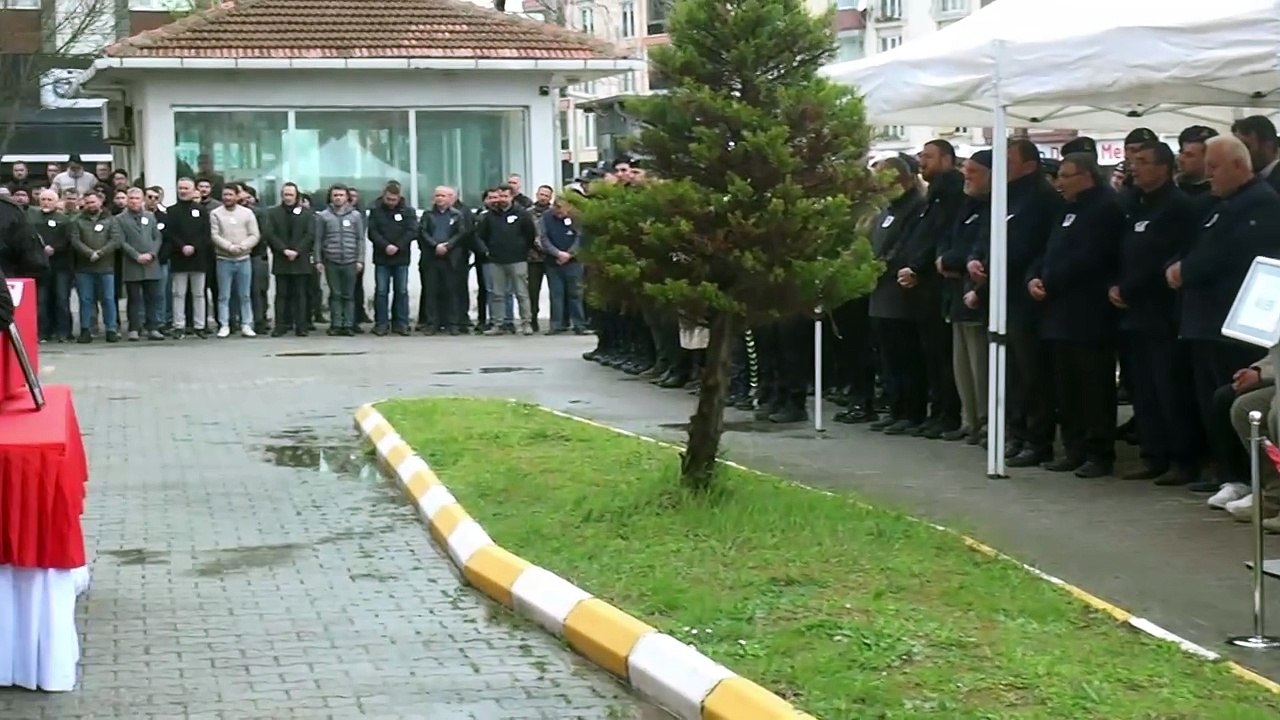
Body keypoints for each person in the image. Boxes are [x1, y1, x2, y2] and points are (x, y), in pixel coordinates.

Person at [1167, 134, 1280, 493]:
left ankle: (1246, 478)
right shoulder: (1218, 205)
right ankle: (1228, 474)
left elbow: (1233, 255)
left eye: (1214, 167)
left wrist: (1187, 271)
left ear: (1238, 165)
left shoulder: (1260, 204)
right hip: (1205, 319)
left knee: (1230, 398)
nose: (1208, 175)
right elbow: (1194, 245)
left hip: (1231, 322)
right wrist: (1178, 266)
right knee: (1210, 401)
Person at [1027, 152, 1126, 477]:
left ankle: (1099, 452)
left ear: (1086, 176)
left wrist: (1051, 280)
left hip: (1088, 313)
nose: (1060, 183)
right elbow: (1047, 250)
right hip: (1057, 313)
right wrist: (1035, 276)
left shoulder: (1105, 208)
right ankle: (1074, 447)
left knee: (1093, 387)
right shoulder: (1066, 209)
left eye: (1066, 176)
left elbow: (1092, 257)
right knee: (1066, 387)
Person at [867, 156, 928, 435]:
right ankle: (895, 408)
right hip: (880, 292)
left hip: (901, 294)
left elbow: (905, 246)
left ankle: (911, 411)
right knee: (888, 356)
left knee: (906, 356)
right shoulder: (886, 209)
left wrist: (881, 266)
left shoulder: (917, 207)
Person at [473, 184, 536, 336]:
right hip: (496, 260)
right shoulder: (489, 216)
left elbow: (530, 234)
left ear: (512, 197)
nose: (501, 199)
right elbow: (480, 236)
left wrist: (522, 250)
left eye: (505, 196)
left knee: (521, 293)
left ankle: (526, 323)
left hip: (517, 259)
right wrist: (486, 251)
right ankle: (498, 324)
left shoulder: (522, 214)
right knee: (497, 294)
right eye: (499, 196)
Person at [110, 187, 166, 341]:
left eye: (137, 198)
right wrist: (136, 256)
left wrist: (152, 254)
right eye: (131, 198)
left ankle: (153, 327)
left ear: (142, 200)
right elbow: (121, 241)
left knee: (152, 297)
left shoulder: (150, 216)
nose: (134, 201)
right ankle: (134, 328)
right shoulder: (119, 219)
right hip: (132, 263)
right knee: (134, 298)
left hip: (151, 263)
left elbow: (157, 237)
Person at [209, 185, 260, 338]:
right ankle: (224, 325)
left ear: (237, 196)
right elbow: (215, 235)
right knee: (224, 295)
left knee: (245, 295)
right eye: (225, 195)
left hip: (244, 259)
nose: (227, 198)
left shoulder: (247, 213)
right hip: (223, 260)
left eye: (230, 195)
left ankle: (246, 324)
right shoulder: (215, 213)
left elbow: (254, 234)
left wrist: (243, 246)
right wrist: (229, 247)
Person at [314, 183, 365, 336]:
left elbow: (360, 239)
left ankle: (348, 325)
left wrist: (360, 260)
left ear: (347, 197)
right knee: (335, 294)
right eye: (335, 195)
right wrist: (318, 260)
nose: (338, 198)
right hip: (331, 260)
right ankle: (336, 324)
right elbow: (318, 239)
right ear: (330, 197)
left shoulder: (355, 216)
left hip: (350, 260)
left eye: (341, 195)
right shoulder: (323, 216)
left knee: (349, 295)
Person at [367, 180, 417, 336]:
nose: (391, 202)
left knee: (401, 290)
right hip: (382, 257)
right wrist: (385, 246)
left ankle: (401, 323)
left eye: (394, 200)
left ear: (399, 197)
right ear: (384, 196)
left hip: (401, 257)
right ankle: (381, 323)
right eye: (388, 199)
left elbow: (412, 231)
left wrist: (397, 246)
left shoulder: (408, 211)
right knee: (381, 291)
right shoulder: (376, 211)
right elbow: (372, 232)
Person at [69, 190, 120, 343]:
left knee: (108, 299)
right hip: (84, 268)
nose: (91, 205)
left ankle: (111, 329)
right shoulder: (77, 220)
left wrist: (100, 253)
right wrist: (89, 253)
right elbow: (75, 240)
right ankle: (85, 329)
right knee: (85, 300)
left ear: (100, 202)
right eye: (88, 202)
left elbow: (116, 240)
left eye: (93, 202)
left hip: (106, 267)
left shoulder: (111, 220)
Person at [165, 177, 212, 339]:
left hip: (198, 257)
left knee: (199, 294)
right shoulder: (171, 211)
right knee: (178, 293)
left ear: (193, 191)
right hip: (179, 256)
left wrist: (194, 246)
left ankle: (200, 325)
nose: (183, 191)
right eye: (180, 188)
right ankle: (179, 325)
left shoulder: (201, 210)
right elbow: (169, 233)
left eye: (186, 188)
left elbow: (206, 233)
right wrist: (182, 246)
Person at [266, 182, 315, 337]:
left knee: (301, 295)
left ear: (296, 196)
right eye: (285, 194)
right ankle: (281, 325)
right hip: (281, 259)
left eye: (291, 195)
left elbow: (310, 235)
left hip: (300, 260)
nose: (288, 198)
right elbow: (270, 234)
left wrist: (297, 251)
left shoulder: (307, 214)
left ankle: (301, 326)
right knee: (281, 295)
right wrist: (283, 250)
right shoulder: (273, 213)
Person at [418, 185, 466, 334]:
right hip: (431, 258)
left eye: (443, 196)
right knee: (431, 292)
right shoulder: (427, 214)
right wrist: (435, 245)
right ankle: (432, 323)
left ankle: (452, 323)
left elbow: (461, 233)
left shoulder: (457, 215)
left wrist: (448, 245)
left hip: (450, 259)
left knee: (451, 292)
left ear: (450, 198)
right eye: (437, 195)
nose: (439, 198)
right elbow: (422, 232)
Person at [540, 194, 587, 334]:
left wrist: (570, 254)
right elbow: (543, 238)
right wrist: (557, 253)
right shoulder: (546, 217)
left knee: (575, 294)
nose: (561, 214)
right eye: (558, 210)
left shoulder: (577, 217)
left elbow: (580, 237)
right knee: (556, 294)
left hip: (573, 261)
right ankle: (556, 325)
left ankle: (579, 324)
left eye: (564, 210)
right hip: (553, 261)